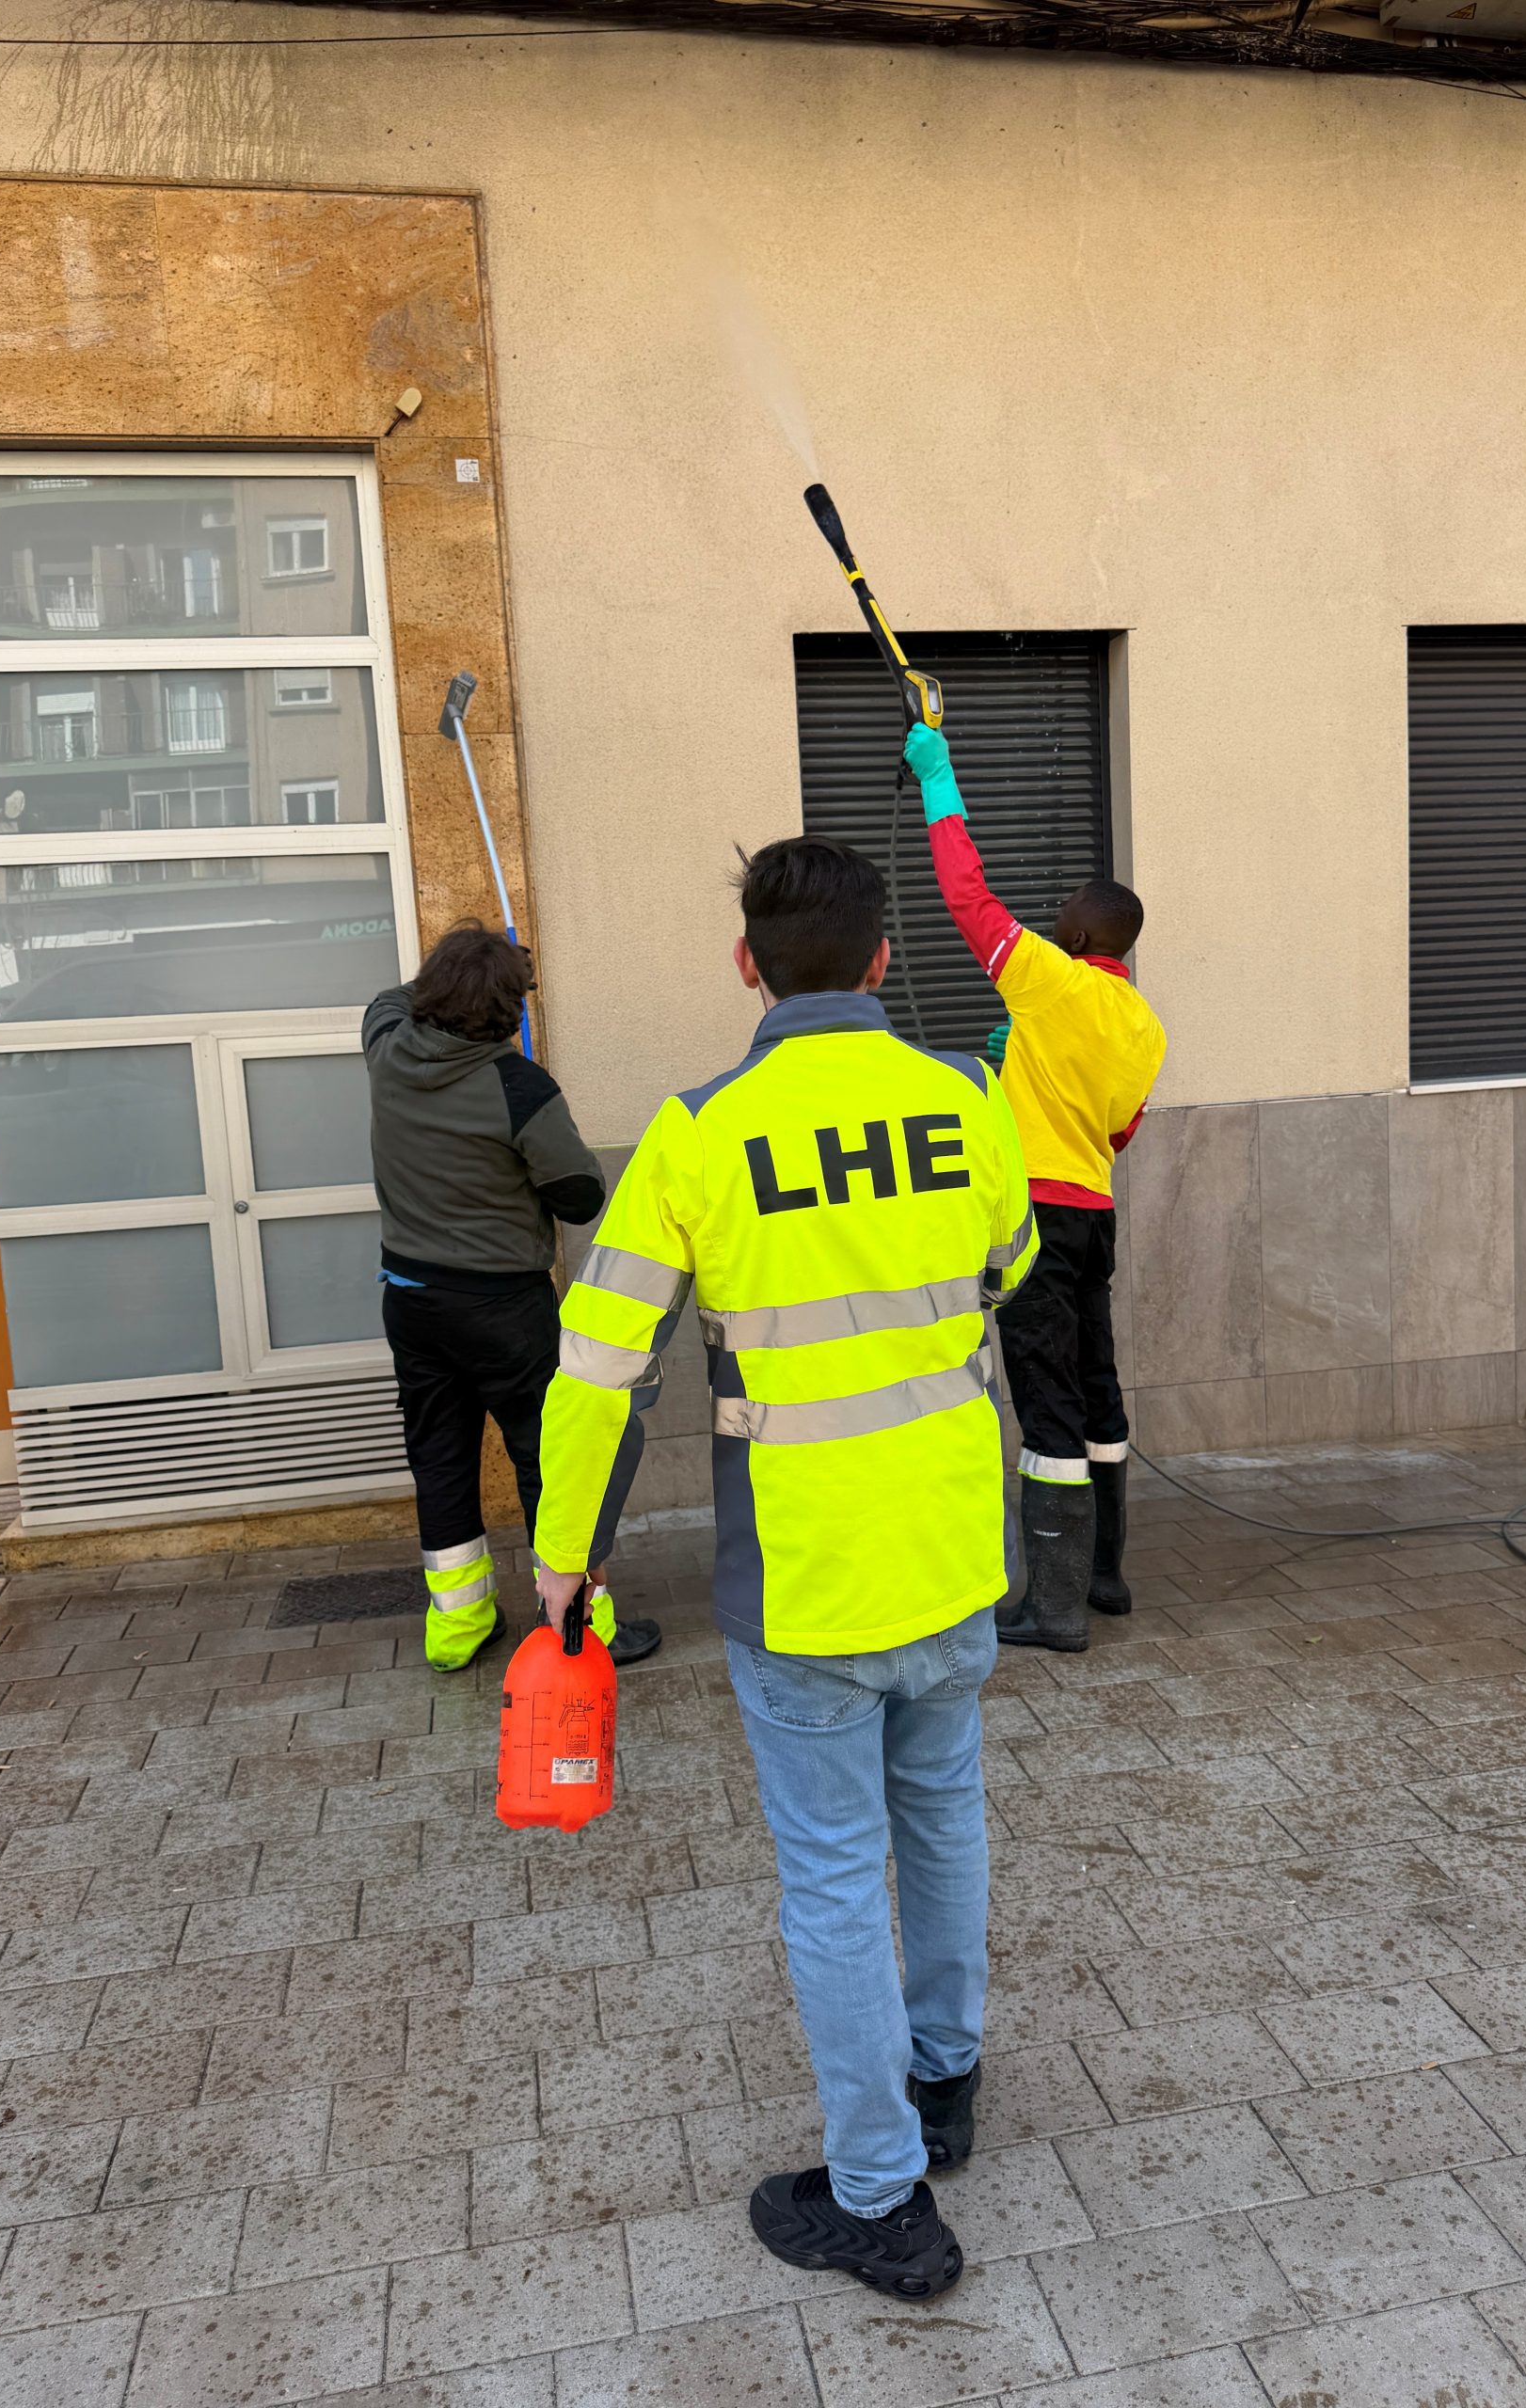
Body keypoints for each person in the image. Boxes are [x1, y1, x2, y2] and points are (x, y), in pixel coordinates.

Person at [532, 836, 1037, 2301]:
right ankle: (944, 2078)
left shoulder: (701, 1133)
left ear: (747, 967)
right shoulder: (962, 1098)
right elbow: (1007, 1263)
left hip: (807, 1581)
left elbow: (597, 1370)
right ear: (886, 960)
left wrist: (568, 1556)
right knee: (943, 1816)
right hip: (952, 1551)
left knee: (832, 1879)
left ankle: (881, 2199)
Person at [904, 722, 1167, 1654]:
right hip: (1093, 1216)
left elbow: (966, 896)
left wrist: (940, 779)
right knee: (1097, 1385)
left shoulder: (1047, 978)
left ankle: (1051, 1607)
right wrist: (1019, 1067)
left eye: (1063, 909)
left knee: (1043, 1399)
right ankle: (1104, 1575)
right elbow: (1117, 1130)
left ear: (1085, 931)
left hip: (1037, 1222)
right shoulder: (1142, 1024)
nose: (1052, 914)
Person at [364, 924, 660, 1672]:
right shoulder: (519, 1086)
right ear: (510, 1012)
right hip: (504, 1311)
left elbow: (392, 998)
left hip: (412, 1302)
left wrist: (477, 964)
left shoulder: (387, 1048)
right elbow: (580, 1196)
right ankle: (581, 1631)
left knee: (439, 1458)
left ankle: (458, 1628)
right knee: (549, 1463)